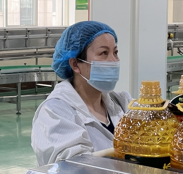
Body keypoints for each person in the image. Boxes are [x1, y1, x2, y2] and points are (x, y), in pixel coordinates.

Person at [31, 21, 131, 166]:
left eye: (115, 52)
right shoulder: (54, 112)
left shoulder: (122, 102)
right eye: (104, 53)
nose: (113, 60)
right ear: (75, 64)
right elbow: (74, 168)